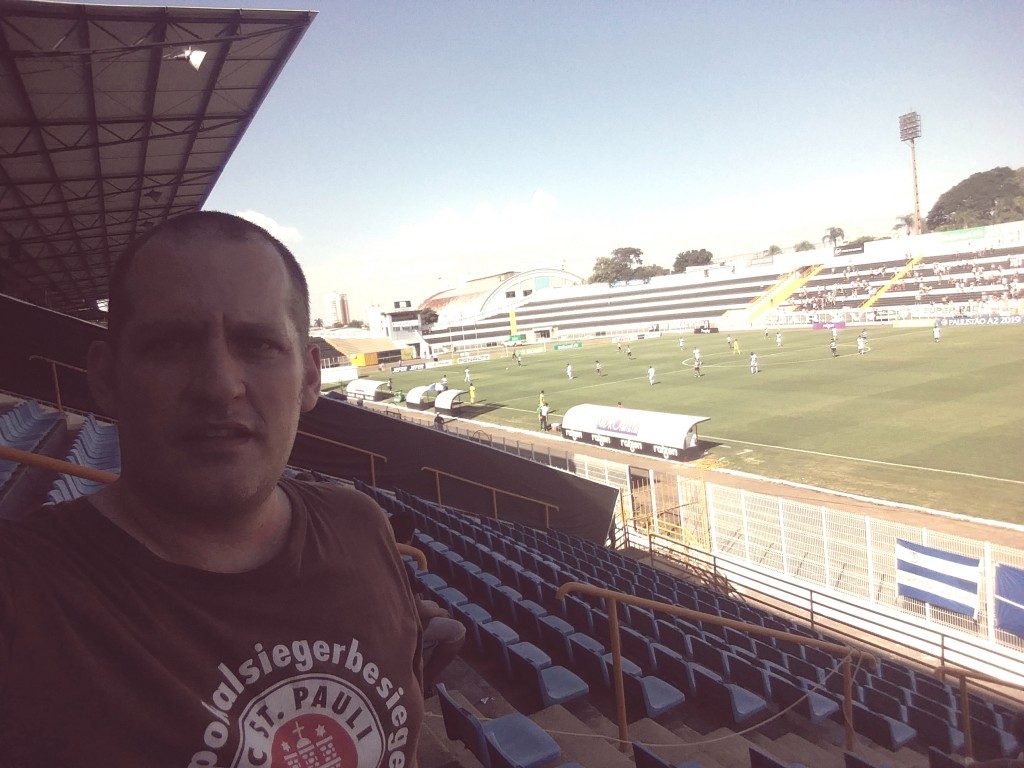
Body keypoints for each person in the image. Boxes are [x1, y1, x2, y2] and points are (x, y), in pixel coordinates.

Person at [0, 212, 423, 764]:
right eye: (170, 344)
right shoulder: (24, 597)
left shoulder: (360, 525)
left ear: (311, 378)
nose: (220, 386)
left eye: (260, 344)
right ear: (106, 378)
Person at [388, 510, 466, 696]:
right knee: (458, 630)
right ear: (411, 537)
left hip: (385, 620)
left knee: (434, 607)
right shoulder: (402, 567)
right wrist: (438, 611)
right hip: (399, 629)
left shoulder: (379, 555)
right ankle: (424, 682)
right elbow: (419, 610)